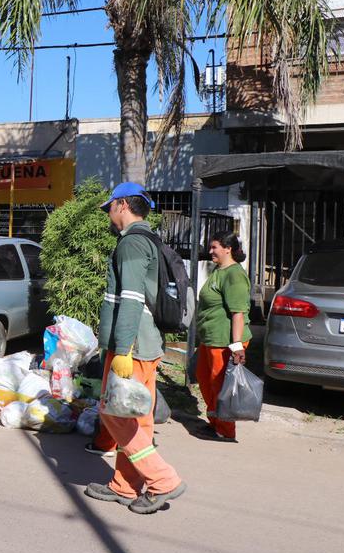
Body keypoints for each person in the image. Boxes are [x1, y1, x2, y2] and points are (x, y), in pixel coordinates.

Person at [84, 182, 187, 514]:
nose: (108, 215)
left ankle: (163, 480)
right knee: (136, 419)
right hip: (147, 342)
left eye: (110, 207)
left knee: (113, 414)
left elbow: (130, 299)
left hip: (132, 346)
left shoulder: (131, 244)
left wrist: (123, 349)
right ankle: (125, 486)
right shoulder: (148, 241)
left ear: (123, 205)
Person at [195, 231, 252, 442]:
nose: (210, 251)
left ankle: (226, 431)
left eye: (214, 247)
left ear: (228, 249)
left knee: (221, 387)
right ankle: (215, 423)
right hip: (210, 339)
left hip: (225, 341)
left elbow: (238, 312)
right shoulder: (220, 270)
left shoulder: (234, 274)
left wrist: (237, 345)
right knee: (205, 379)